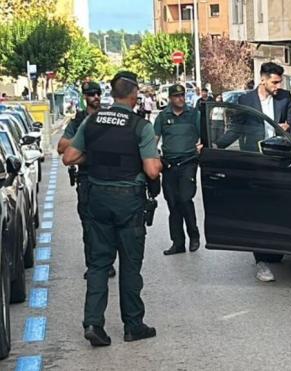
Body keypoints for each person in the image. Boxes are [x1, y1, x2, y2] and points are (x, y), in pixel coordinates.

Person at [63, 71, 162, 347]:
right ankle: (133, 325)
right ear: (133, 96)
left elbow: (68, 157)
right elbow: (152, 170)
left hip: (96, 197)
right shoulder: (140, 126)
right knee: (130, 264)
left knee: (98, 264)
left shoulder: (93, 120)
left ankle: (93, 323)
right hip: (128, 201)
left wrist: (93, 157)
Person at [215, 62, 291, 281]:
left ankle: (279, 249)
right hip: (256, 161)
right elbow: (235, 129)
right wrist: (215, 147)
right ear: (263, 80)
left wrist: (289, 126)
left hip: (280, 160)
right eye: (274, 81)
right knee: (259, 209)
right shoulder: (246, 101)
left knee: (279, 206)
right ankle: (261, 261)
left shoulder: (284, 98)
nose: (278, 85)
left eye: (280, 81)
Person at [57, 81, 116, 280]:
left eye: (98, 93)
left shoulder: (109, 117)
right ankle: (93, 264)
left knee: (108, 223)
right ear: (85, 97)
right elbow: (61, 147)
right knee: (89, 224)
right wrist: (84, 140)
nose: (96, 97)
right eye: (91, 94)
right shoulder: (78, 120)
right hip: (86, 178)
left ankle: (107, 263)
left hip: (108, 176)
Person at [154, 84, 202, 256]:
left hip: (188, 162)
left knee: (185, 198)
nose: (180, 98)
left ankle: (194, 236)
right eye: (176, 96)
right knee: (173, 203)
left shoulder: (193, 115)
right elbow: (154, 139)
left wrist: (202, 147)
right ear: (170, 98)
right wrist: (154, 156)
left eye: (182, 95)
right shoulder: (163, 117)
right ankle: (178, 242)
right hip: (169, 165)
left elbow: (205, 136)